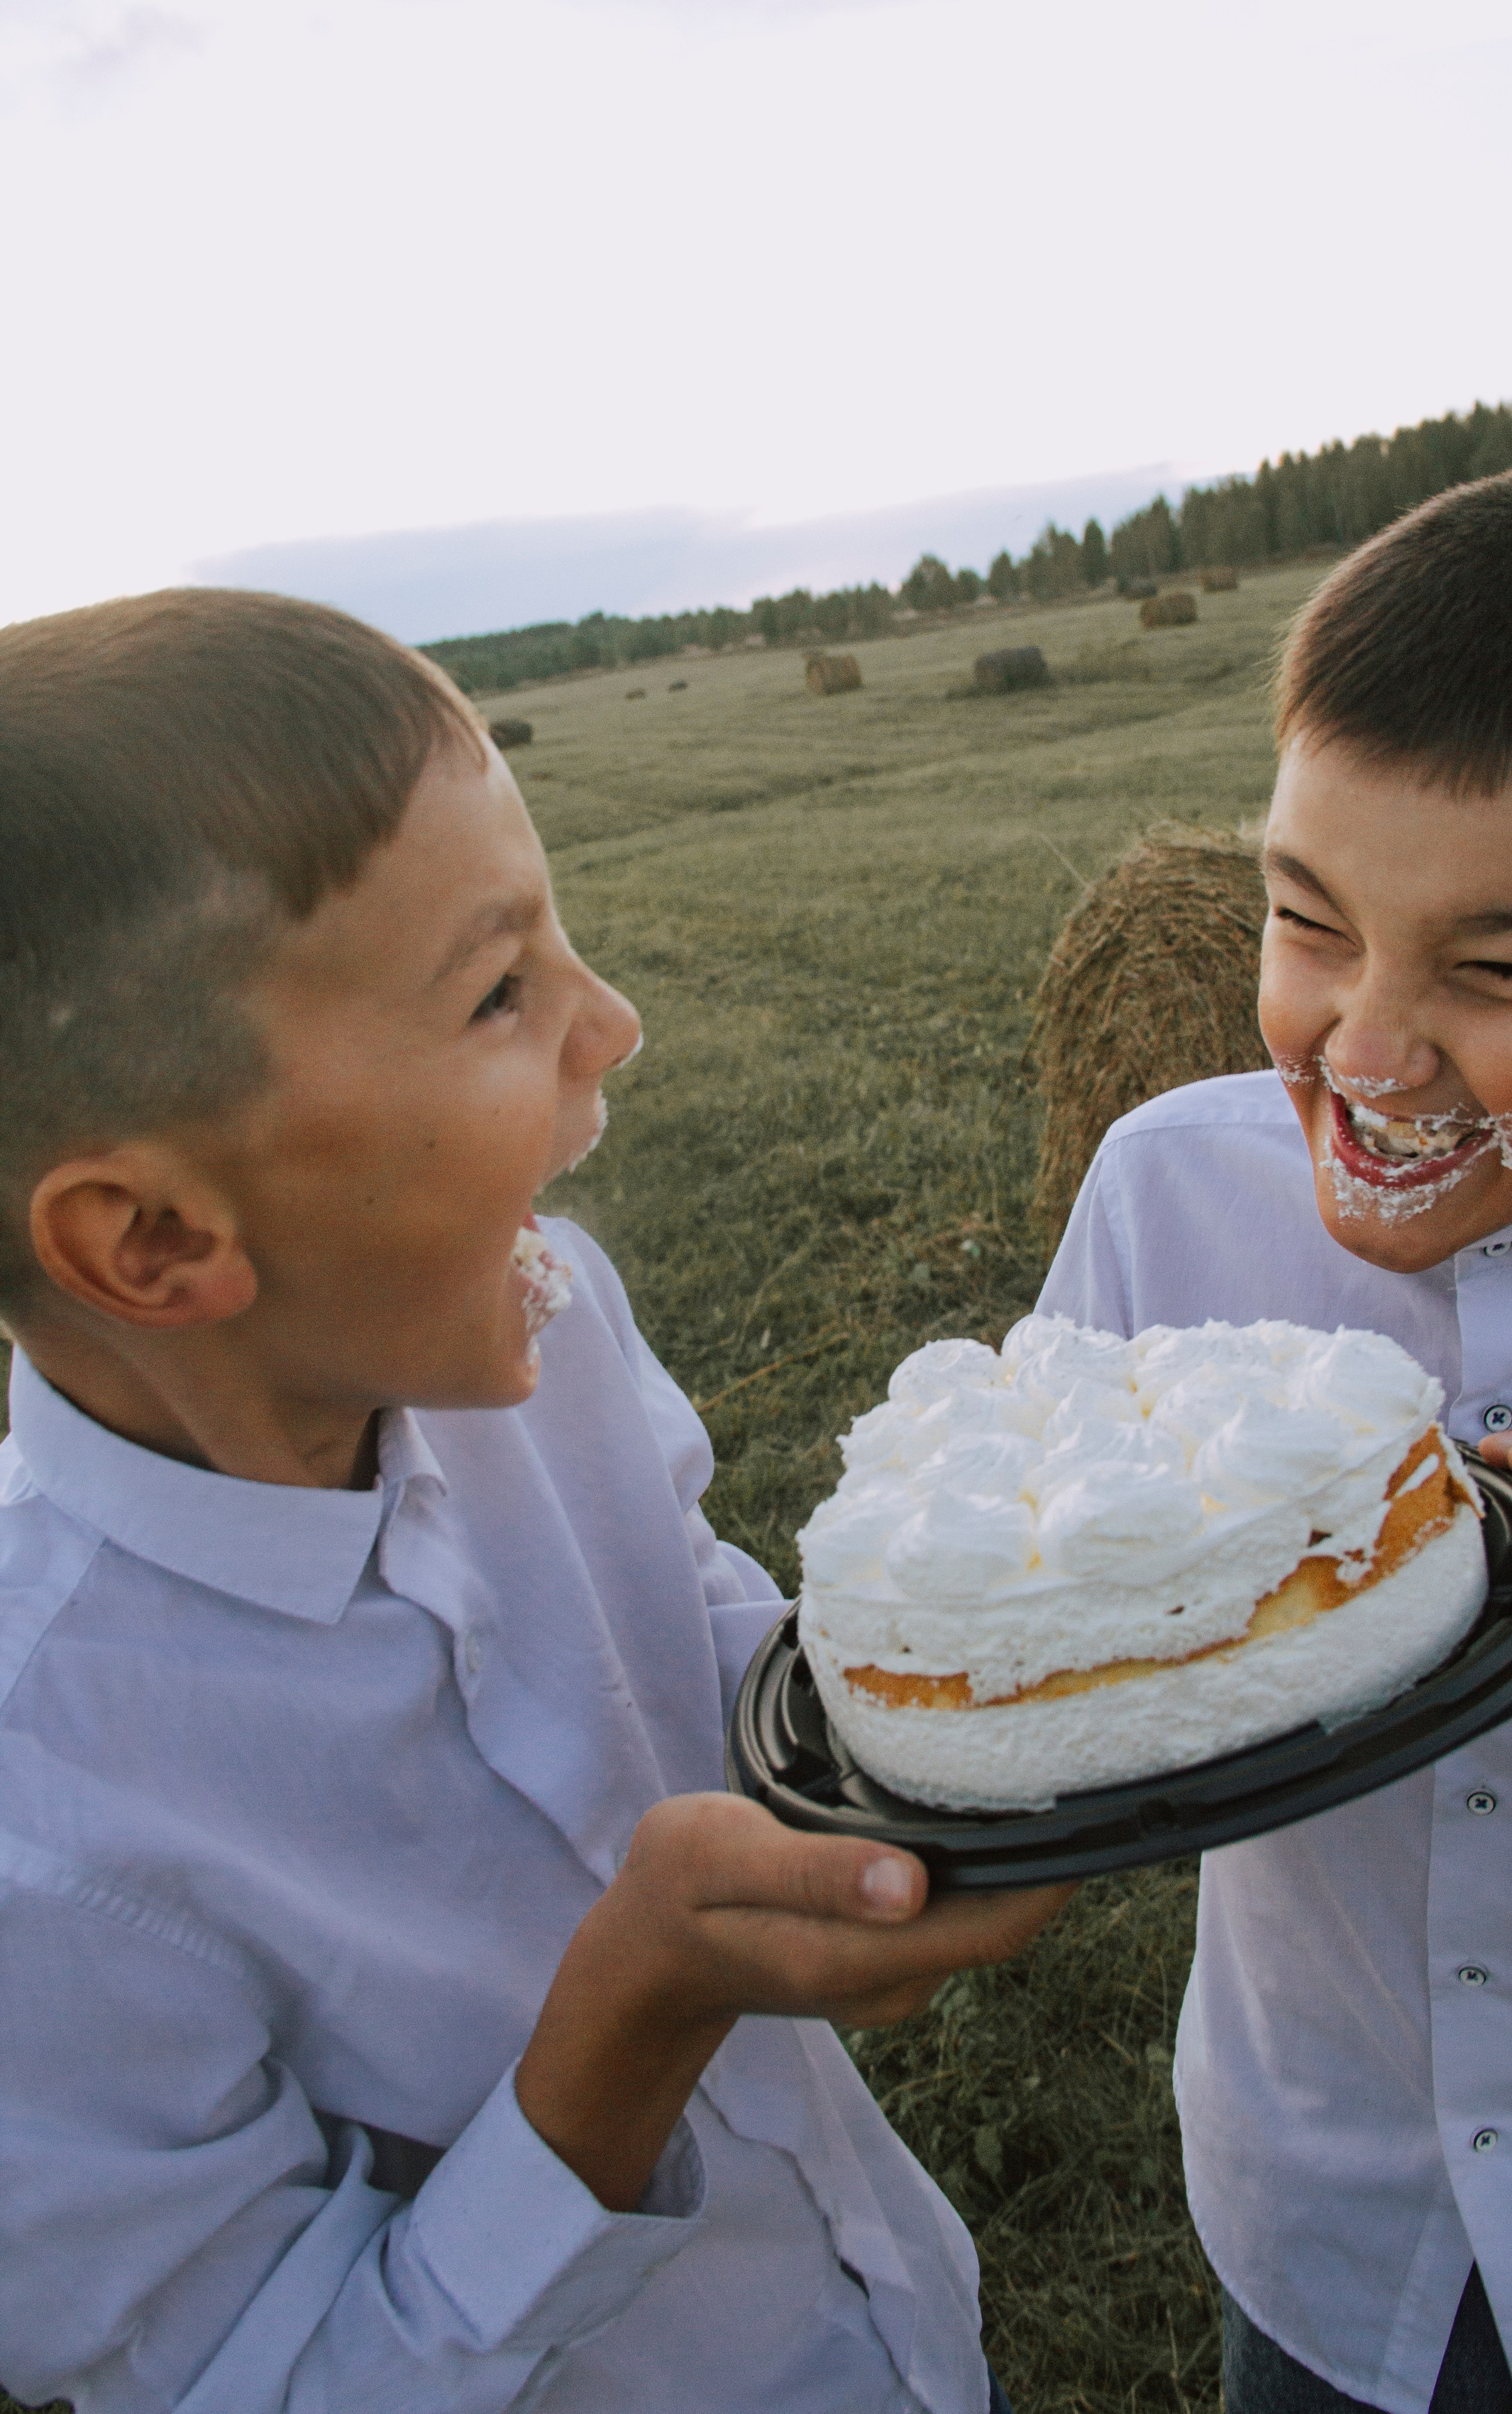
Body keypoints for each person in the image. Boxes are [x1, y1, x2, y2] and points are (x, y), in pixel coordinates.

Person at [0, 588, 1069, 2414]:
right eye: (500, 989)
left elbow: (721, 1645)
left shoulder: (546, 1332)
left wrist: (978, 1671)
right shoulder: (46, 1836)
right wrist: (619, 2036)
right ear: (159, 1238)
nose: (616, 1023)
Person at [1039, 454, 1512, 2414]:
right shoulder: (1170, 1195)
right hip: (1331, 2224)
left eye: (1503, 968)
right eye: (1308, 922)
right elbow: (1042, 1610)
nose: (1363, 1049)